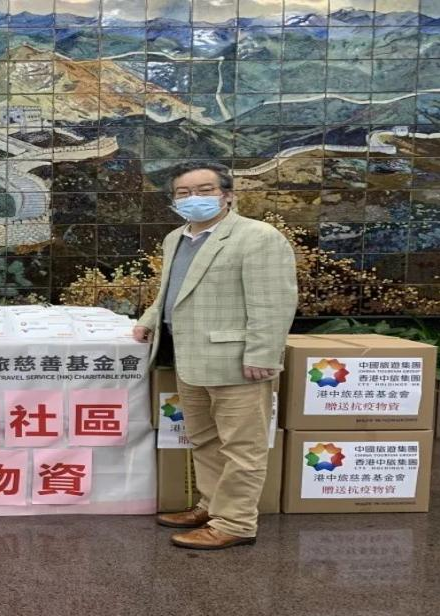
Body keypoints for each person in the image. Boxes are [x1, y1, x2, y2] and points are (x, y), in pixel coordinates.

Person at [133, 161, 297, 550]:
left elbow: (274, 303)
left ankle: (236, 523)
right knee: (204, 439)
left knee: (242, 447)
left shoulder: (257, 237)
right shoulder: (176, 238)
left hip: (237, 361)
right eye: (184, 193)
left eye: (205, 190)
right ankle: (211, 506)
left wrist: (263, 354)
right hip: (191, 357)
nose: (194, 199)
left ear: (228, 195)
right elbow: (171, 291)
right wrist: (150, 319)